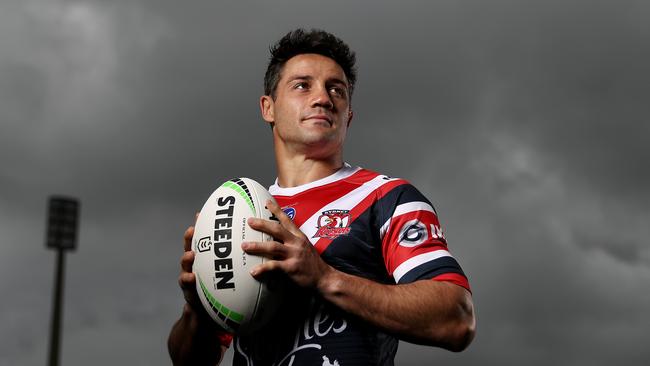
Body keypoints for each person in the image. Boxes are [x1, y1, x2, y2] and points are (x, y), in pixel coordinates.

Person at [168, 28, 476, 366]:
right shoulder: (245, 219)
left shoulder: (386, 198)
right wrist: (198, 311)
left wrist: (325, 278)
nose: (323, 98)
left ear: (349, 116)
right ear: (268, 107)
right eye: (302, 86)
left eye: (336, 90)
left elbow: (456, 318)